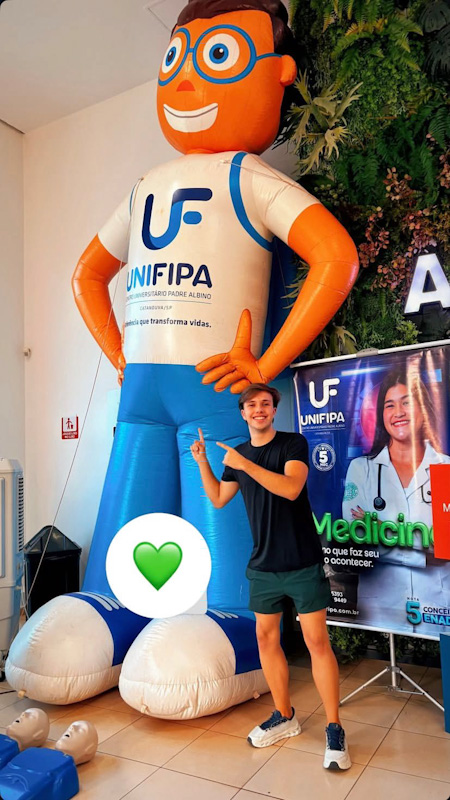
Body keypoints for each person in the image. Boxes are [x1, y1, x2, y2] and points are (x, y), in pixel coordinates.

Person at [191, 382, 352, 770]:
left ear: (273, 410)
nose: (259, 409)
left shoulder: (292, 444)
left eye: (265, 403)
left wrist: (245, 464)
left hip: (301, 561)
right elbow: (218, 498)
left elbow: (292, 488)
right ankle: (284, 715)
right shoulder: (237, 455)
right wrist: (203, 462)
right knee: (266, 638)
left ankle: (334, 728)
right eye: (252, 405)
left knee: (316, 642)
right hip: (263, 565)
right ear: (243, 413)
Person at [342, 366, 450, 633]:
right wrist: (423, 552)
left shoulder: (445, 469)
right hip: (380, 605)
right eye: (389, 405)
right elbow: (359, 539)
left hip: (436, 602)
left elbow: (446, 548)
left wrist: (381, 530)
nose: (398, 412)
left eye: (407, 402)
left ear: (423, 409)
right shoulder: (362, 469)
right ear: (381, 415)